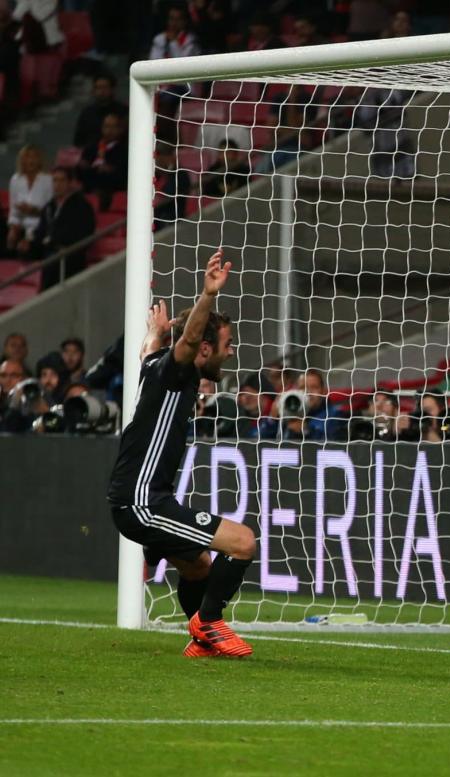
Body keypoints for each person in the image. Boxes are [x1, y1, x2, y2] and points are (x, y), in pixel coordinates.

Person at [106, 258, 256, 658]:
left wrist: (155, 333)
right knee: (242, 543)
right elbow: (186, 343)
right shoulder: (178, 372)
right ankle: (208, 622)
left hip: (138, 499)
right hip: (143, 502)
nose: (231, 351)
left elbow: (150, 350)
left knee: (198, 567)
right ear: (203, 348)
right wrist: (208, 293)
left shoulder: (156, 365)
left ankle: (201, 643)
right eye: (226, 345)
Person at [27, 166, 96, 290]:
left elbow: (85, 234)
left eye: (62, 180)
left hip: (70, 256)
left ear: (70, 183)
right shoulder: (49, 207)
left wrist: (60, 245)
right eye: (55, 180)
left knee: (53, 264)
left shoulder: (81, 206)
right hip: (50, 254)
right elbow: (41, 233)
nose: (57, 185)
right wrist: (30, 245)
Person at [6, 145, 52, 254]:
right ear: (22, 160)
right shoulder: (15, 179)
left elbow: (51, 212)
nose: (31, 160)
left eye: (34, 157)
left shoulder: (48, 180)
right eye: (27, 157)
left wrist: (33, 211)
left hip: (40, 229)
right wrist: (13, 230)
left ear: (39, 160)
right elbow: (13, 211)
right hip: (20, 226)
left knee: (27, 249)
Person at [78, 112, 128, 209]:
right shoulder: (91, 147)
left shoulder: (125, 150)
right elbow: (81, 171)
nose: (109, 131)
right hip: (89, 188)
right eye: (107, 126)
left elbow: (122, 175)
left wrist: (109, 170)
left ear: (120, 129)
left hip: (111, 191)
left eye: (113, 127)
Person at [73, 73, 127, 150]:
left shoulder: (123, 111)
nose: (101, 91)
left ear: (112, 89)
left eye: (105, 87)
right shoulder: (87, 113)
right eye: (98, 87)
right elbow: (78, 141)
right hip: (90, 157)